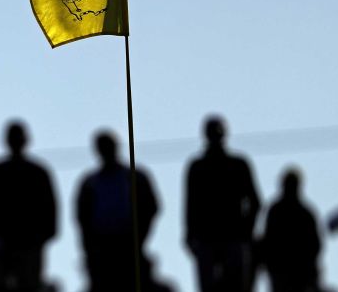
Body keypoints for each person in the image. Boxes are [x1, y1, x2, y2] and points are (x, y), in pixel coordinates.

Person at [76, 130, 171, 292]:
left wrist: (139, 235)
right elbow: (82, 217)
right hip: (102, 250)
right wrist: (90, 247)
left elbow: (151, 207)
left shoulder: (135, 177)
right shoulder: (91, 183)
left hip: (129, 245)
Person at [0, 121, 58, 292]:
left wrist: (41, 238)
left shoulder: (38, 173)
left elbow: (50, 210)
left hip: (29, 244)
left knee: (28, 285)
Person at [185, 116, 261, 292]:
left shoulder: (238, 165)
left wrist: (246, 232)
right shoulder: (197, 167)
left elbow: (255, 202)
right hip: (207, 237)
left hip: (232, 236)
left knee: (236, 285)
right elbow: (190, 205)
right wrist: (190, 235)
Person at [264, 168, 321, 292]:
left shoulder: (277, 211)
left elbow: (315, 245)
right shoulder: (303, 212)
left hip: (296, 272)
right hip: (285, 271)